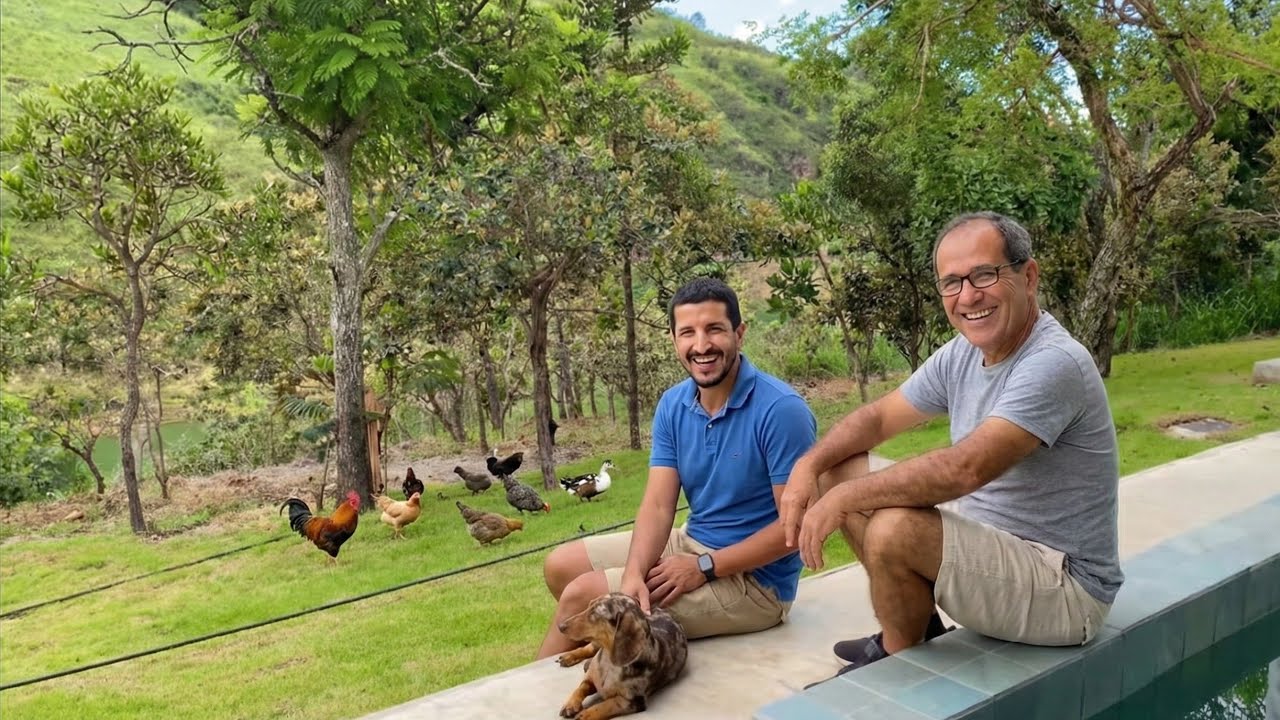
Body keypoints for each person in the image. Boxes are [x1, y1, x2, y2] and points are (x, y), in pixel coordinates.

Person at [780, 212, 1123, 681]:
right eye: (952, 283)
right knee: (837, 467)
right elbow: (879, 417)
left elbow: (965, 469)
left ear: (1029, 276)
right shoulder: (964, 352)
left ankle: (898, 670)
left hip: (1064, 588)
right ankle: (916, 628)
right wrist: (809, 465)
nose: (967, 296)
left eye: (984, 274)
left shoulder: (1053, 363)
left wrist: (842, 500)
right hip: (997, 553)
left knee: (892, 527)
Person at [536, 277, 817, 659]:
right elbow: (657, 506)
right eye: (688, 332)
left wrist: (704, 566)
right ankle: (617, 657)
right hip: (692, 542)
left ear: (740, 333)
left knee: (581, 595)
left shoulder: (781, 410)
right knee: (560, 566)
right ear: (673, 339)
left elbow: (795, 528)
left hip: (756, 584)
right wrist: (635, 572)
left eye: (714, 329)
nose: (701, 346)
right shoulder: (673, 404)